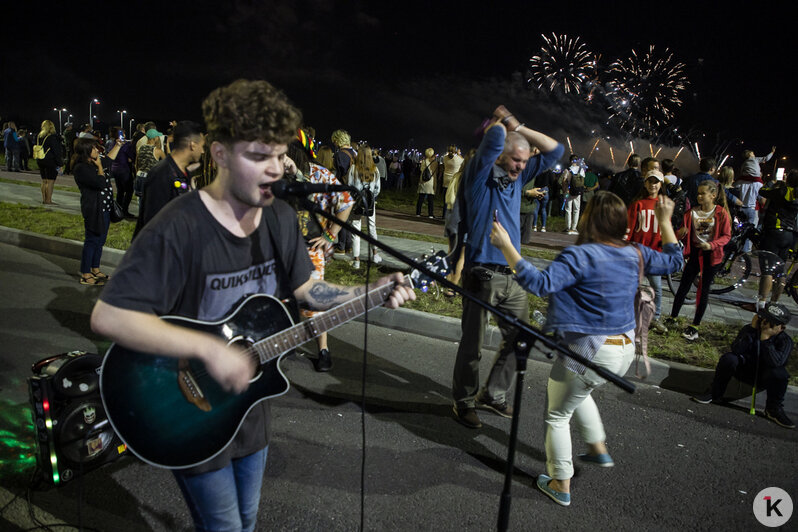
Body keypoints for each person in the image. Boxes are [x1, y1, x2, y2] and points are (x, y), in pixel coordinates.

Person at [90, 79, 414, 532]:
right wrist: (207, 351)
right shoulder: (180, 226)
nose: (276, 169)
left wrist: (361, 295)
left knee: (246, 521)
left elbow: (306, 290)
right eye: (259, 156)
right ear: (219, 153)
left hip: (250, 411)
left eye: (280, 156)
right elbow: (108, 315)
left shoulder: (280, 217)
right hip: (187, 408)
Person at [490, 191, 682, 506]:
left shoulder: (580, 257)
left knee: (556, 414)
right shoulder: (635, 252)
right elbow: (675, 260)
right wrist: (664, 221)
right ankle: (597, 449)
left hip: (589, 351)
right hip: (623, 349)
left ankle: (560, 482)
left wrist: (507, 245)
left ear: (588, 220)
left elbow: (539, 284)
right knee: (580, 393)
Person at [451, 105, 562, 429]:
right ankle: (463, 401)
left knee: (521, 338)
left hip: (513, 275)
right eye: (516, 160)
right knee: (472, 346)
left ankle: (493, 394)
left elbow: (557, 149)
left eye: (525, 162)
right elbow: (495, 139)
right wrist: (500, 125)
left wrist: (517, 124)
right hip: (480, 273)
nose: (521, 167)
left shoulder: (519, 177)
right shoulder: (480, 174)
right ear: (500, 156)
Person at [284, 134, 354, 372]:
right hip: (281, 250)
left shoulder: (319, 175)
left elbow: (346, 202)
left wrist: (330, 235)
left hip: (310, 250)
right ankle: (286, 345)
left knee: (314, 303)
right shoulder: (275, 176)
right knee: (283, 300)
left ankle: (323, 350)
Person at [692, 303, 793, 429]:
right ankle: (714, 393)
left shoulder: (785, 341)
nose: (765, 324)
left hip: (764, 377)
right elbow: (736, 349)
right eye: (764, 319)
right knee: (729, 358)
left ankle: (773, 409)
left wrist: (766, 340)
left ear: (781, 328)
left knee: (780, 374)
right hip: (745, 370)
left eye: (771, 323)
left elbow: (776, 363)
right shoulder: (750, 330)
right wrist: (751, 329)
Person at [667, 180, 731, 341]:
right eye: (698, 193)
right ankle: (673, 317)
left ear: (713, 195)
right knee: (683, 286)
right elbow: (679, 233)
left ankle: (694, 326)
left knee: (703, 290)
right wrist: (680, 232)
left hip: (711, 255)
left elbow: (726, 236)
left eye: (703, 193)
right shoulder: (691, 212)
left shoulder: (721, 213)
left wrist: (712, 245)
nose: (699, 196)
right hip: (695, 253)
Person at [132, 121, 205, 238]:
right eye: (202, 146)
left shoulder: (183, 172)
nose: (203, 151)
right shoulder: (161, 174)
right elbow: (152, 224)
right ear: (192, 145)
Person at [73, 137, 121, 285]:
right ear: (86, 151)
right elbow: (100, 183)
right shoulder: (81, 168)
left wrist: (118, 145)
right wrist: (100, 167)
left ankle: (95, 269)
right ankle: (86, 274)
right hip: (94, 209)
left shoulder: (95, 163)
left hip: (105, 209)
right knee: (92, 241)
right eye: (93, 148)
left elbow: (108, 159)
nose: (97, 150)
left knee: (100, 241)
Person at [627, 169, 669, 332]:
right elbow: (629, 228)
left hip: (655, 255)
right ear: (645, 183)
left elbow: (667, 229)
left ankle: (655, 318)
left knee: (656, 287)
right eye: (650, 181)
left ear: (661, 184)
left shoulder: (664, 205)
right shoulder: (638, 204)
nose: (653, 184)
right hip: (638, 253)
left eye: (656, 182)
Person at [755, 170, 798, 307]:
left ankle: (761, 302)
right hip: (789, 234)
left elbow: (762, 191)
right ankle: (774, 303)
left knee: (767, 269)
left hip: (774, 232)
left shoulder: (781, 191)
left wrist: (771, 183)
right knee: (780, 270)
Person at [348, 145, 382, 269]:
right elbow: (378, 189)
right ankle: (375, 254)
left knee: (355, 230)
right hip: (370, 202)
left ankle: (356, 260)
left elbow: (349, 186)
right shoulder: (375, 170)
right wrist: (371, 195)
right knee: (372, 227)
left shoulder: (353, 169)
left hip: (357, 202)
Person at [331, 129, 356, 256]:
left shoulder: (340, 155)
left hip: (343, 188)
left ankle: (341, 246)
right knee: (348, 219)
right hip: (353, 188)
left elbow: (338, 174)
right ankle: (349, 245)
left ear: (337, 140)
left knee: (341, 216)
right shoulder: (354, 153)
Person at [35, 120, 64, 205]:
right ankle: (48, 200)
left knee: (44, 180)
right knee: (50, 181)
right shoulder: (52, 137)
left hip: (40, 159)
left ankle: (44, 199)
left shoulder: (39, 136)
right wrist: (60, 164)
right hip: (50, 161)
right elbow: (56, 152)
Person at [133, 128, 167, 197]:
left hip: (139, 176)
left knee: (141, 202)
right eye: (157, 136)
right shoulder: (158, 150)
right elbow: (167, 163)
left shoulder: (141, 148)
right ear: (154, 138)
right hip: (150, 178)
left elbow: (136, 163)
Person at [561, 154, 586, 234]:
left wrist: (564, 190)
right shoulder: (581, 170)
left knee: (568, 209)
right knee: (576, 209)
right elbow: (582, 181)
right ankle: (574, 228)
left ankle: (567, 227)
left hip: (568, 191)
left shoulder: (567, 170)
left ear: (570, 161)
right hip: (578, 192)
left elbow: (564, 181)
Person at [441, 145, 464, 219]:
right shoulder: (457, 159)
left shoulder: (445, 158)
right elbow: (464, 161)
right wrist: (459, 154)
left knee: (446, 198)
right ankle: (452, 216)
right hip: (454, 180)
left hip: (446, 179)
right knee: (453, 198)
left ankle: (444, 215)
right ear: (455, 151)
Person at [416, 148, 437, 218]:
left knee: (421, 198)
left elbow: (421, 170)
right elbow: (435, 173)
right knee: (430, 199)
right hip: (431, 182)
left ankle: (418, 213)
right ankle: (430, 214)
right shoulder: (435, 163)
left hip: (423, 181)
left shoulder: (424, 161)